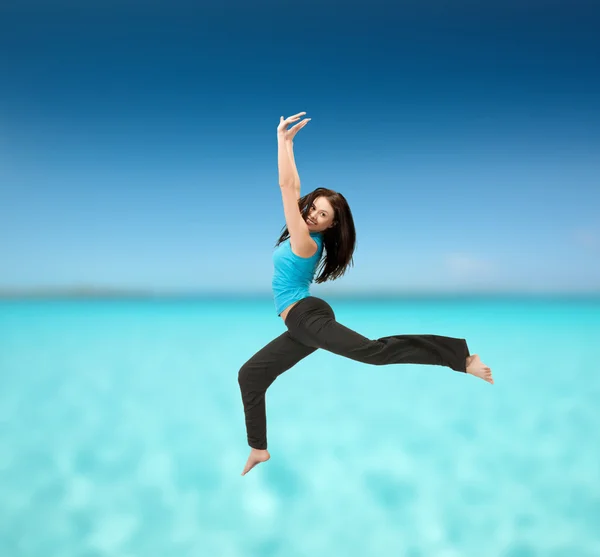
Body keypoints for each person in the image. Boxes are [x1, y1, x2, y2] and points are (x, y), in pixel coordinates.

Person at [238, 112, 493, 476]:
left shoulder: (306, 243)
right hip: (300, 323)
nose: (311, 214)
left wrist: (285, 142)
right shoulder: (303, 234)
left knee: (374, 353)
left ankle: (460, 358)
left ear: (331, 224)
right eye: (312, 208)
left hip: (306, 317)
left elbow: (288, 187)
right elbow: (295, 193)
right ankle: (258, 449)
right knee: (250, 375)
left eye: (321, 214)